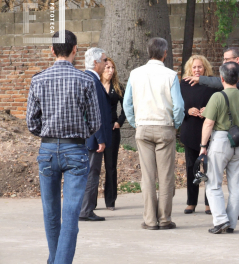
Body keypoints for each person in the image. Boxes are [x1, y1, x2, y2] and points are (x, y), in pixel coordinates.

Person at [26, 30, 101, 264]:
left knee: (51, 214)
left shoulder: (38, 80)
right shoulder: (85, 80)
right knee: (70, 217)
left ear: (51, 50)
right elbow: (96, 123)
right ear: (75, 50)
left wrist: (49, 134)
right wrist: (79, 133)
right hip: (76, 150)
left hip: (47, 150)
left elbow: (31, 122)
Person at [185, 47, 239, 219]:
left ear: (237, 60)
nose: (224, 62)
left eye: (227, 60)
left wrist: (199, 79)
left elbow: (222, 82)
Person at [123, 37, 185, 230]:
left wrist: (136, 123)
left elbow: (127, 104)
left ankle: (150, 220)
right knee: (166, 176)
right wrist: (175, 124)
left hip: (143, 127)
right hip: (165, 127)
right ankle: (165, 218)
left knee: (148, 177)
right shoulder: (170, 75)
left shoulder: (135, 74)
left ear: (148, 52)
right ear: (165, 53)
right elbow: (179, 106)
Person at [200, 62, 239, 234]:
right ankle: (231, 223)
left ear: (222, 78)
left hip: (221, 141)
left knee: (213, 182)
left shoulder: (217, 97)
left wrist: (203, 146)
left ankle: (220, 220)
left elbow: (208, 123)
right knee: (236, 186)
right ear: (238, 78)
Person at [180, 55, 218, 215]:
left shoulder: (211, 85)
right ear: (189, 68)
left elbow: (218, 104)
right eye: (194, 67)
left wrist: (208, 111)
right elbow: (178, 106)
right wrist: (187, 111)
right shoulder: (183, 85)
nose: (197, 70)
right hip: (190, 129)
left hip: (207, 131)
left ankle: (209, 203)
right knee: (191, 167)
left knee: (209, 168)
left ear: (205, 68)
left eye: (200, 67)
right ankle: (191, 202)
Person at [79, 48, 112, 222]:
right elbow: (95, 112)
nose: (107, 63)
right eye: (104, 60)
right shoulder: (92, 80)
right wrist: (100, 138)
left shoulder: (86, 78)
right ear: (95, 62)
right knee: (92, 173)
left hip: (87, 136)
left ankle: (84, 208)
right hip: (93, 138)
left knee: (87, 173)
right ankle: (86, 210)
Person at [100, 58, 126, 211]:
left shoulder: (118, 87)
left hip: (112, 130)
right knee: (94, 167)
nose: (110, 70)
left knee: (111, 166)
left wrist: (119, 122)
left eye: (112, 68)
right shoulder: (95, 85)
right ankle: (90, 202)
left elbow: (126, 107)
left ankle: (110, 201)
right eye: (107, 67)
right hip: (96, 131)